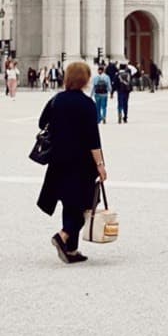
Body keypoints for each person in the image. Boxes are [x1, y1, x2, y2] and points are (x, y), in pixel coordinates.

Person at [37, 61, 107, 265]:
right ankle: (64, 235)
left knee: (69, 203)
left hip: (58, 159)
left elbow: (42, 123)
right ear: (85, 80)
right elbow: (93, 139)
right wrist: (101, 165)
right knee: (84, 204)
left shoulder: (57, 100)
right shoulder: (87, 104)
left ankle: (72, 250)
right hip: (81, 163)